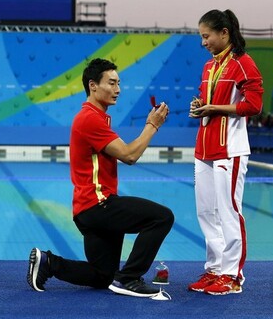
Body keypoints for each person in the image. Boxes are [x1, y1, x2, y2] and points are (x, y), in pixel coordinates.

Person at [27, 58, 174, 298]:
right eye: (112, 83)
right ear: (93, 85)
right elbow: (129, 155)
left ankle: (49, 263)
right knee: (162, 217)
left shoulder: (97, 117)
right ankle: (129, 278)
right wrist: (152, 125)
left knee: (102, 275)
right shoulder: (90, 119)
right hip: (98, 205)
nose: (118, 89)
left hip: (88, 209)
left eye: (119, 83)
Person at [188, 9, 264, 295]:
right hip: (204, 148)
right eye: (201, 37)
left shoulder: (243, 64)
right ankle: (215, 269)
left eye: (206, 36)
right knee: (206, 211)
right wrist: (199, 106)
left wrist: (216, 108)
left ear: (224, 33)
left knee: (229, 211)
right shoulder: (209, 67)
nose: (203, 42)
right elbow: (207, 100)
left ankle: (232, 276)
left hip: (229, 149)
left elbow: (254, 105)